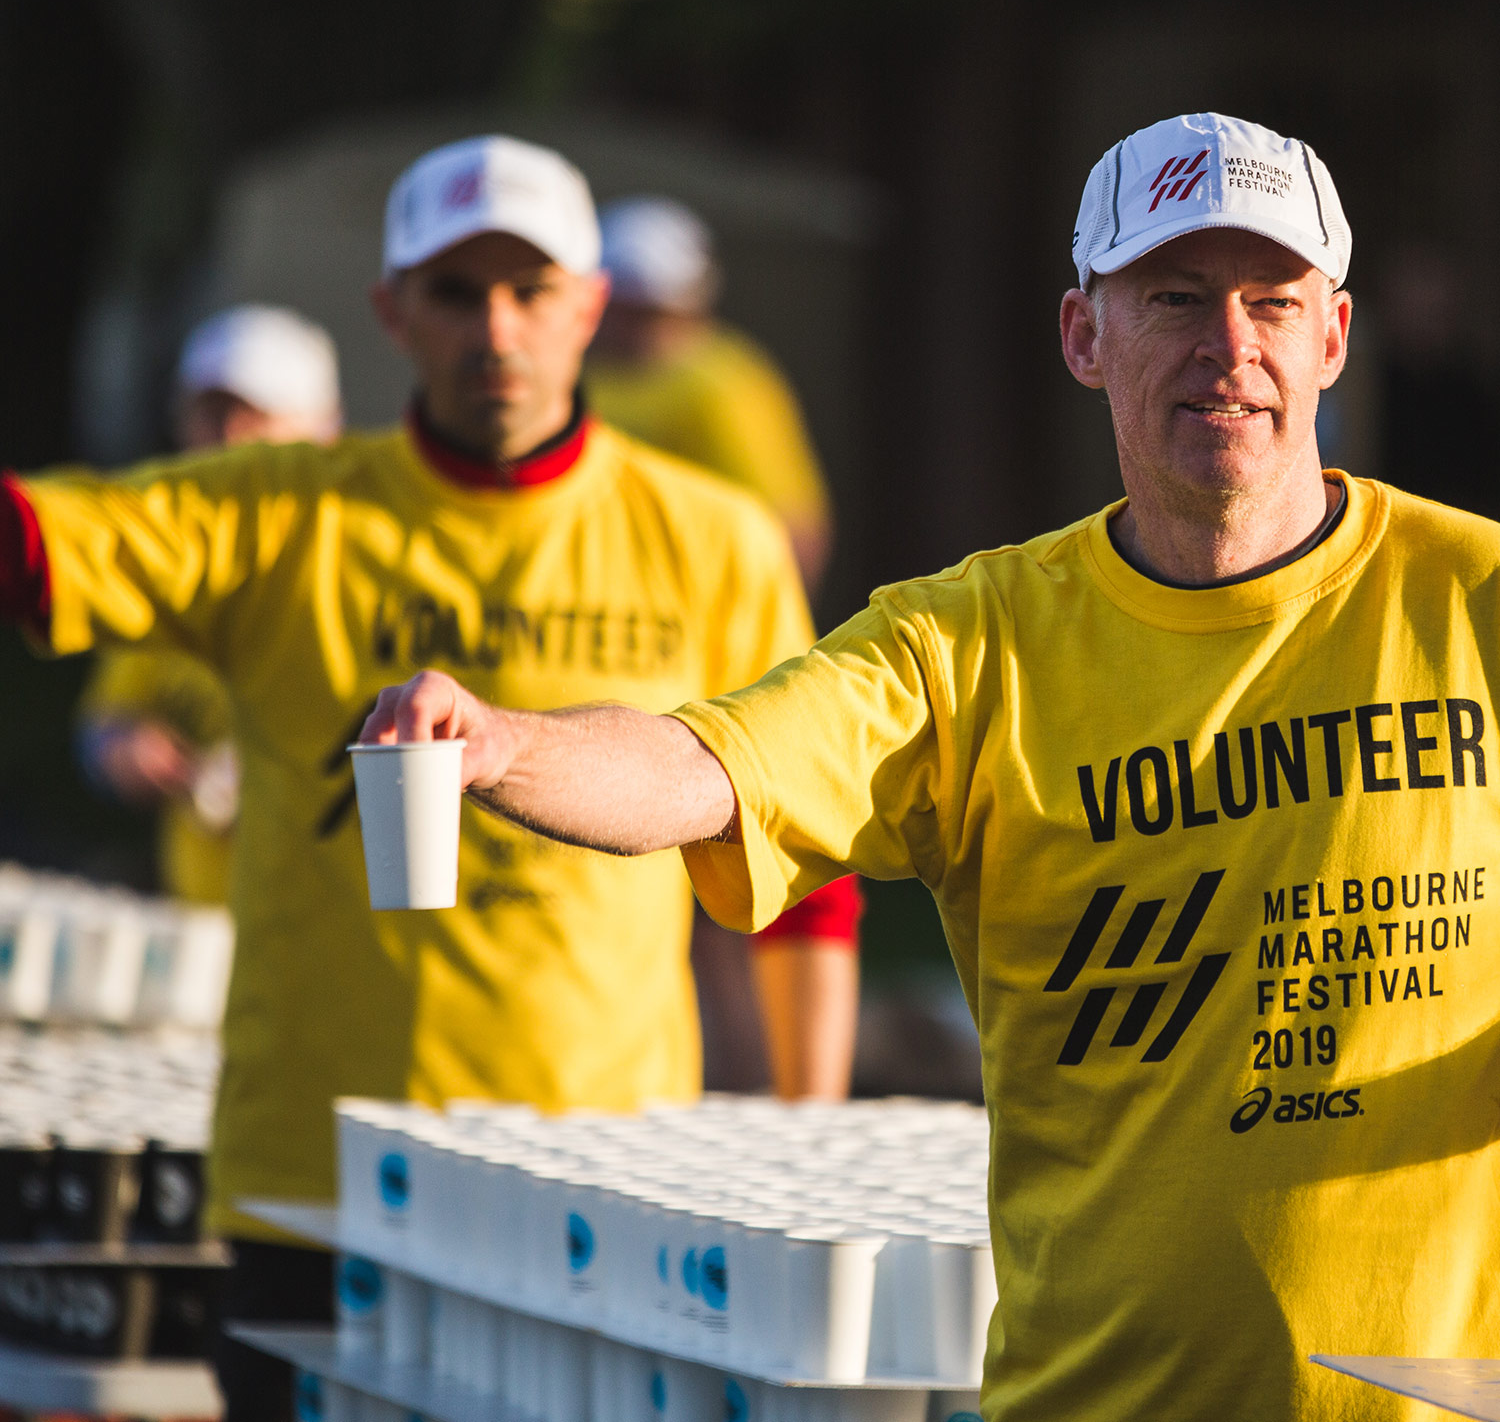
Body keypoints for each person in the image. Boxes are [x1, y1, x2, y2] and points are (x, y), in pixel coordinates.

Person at [363, 112, 1500, 1421]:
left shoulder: (1472, 599)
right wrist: (505, 743)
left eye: (1272, 300)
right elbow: (709, 764)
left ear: (1334, 336)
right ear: (1086, 335)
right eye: (1176, 296)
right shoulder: (972, 643)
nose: (1228, 346)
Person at [0, 134, 856, 1420]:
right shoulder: (277, 511)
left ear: (592, 303)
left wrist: (808, 1154)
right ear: (391, 311)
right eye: (455, 292)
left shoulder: (713, 538)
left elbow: (804, 864)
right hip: (313, 1180)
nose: (496, 329)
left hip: (599, 1197)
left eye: (529, 289)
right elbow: (39, 546)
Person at [587, 196, 857, 1094]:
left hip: (706, 675)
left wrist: (756, 669)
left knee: (732, 907)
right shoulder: (601, 384)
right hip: (621, 663)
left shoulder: (722, 382)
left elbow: (791, 528)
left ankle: (750, 1097)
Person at [76, 305, 343, 904]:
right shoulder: (171, 570)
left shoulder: (359, 566)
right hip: (198, 923)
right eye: (213, 414)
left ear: (325, 430)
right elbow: (104, 726)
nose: (228, 438)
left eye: (256, 417)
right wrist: (130, 750)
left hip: (327, 934)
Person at [586, 196, 834, 592]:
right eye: (622, 310)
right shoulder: (566, 370)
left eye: (653, 313)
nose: (633, 330)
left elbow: (794, 529)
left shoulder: (726, 385)